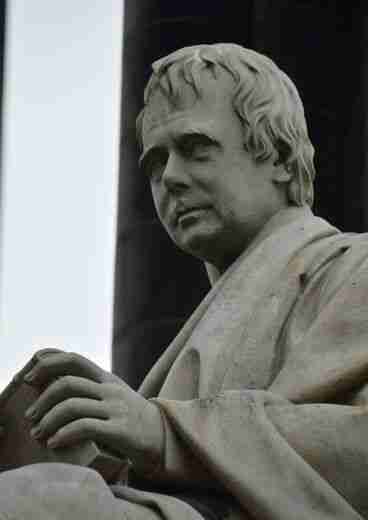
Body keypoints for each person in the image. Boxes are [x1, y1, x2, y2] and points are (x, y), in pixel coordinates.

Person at [1, 43, 368, 519]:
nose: (169, 177)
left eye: (196, 149)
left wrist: (160, 431)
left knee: (48, 500)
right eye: (155, 162)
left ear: (278, 157)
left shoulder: (355, 267)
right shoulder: (207, 327)